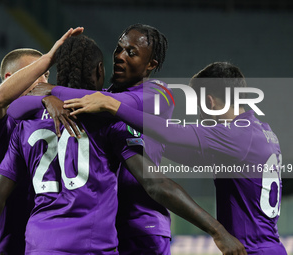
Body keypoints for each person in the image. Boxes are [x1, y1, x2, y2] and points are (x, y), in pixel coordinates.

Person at [4, 25, 245, 254]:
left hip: (144, 225)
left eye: (131, 52)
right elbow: (15, 107)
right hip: (109, 227)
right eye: (119, 48)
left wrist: (50, 91)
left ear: (151, 64)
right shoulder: (101, 102)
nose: (120, 56)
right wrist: (46, 99)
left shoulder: (158, 94)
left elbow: (118, 107)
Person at [65, 62, 287, 255]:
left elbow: (171, 133)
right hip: (269, 246)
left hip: (251, 250)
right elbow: (188, 155)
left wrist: (112, 105)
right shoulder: (261, 132)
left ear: (209, 102)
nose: (199, 115)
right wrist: (134, 141)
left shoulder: (235, 133)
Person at [0, 27, 83, 255]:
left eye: (46, 74)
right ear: (9, 80)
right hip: (0, 249)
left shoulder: (47, 122)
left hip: (42, 247)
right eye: (35, 73)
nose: (43, 80)